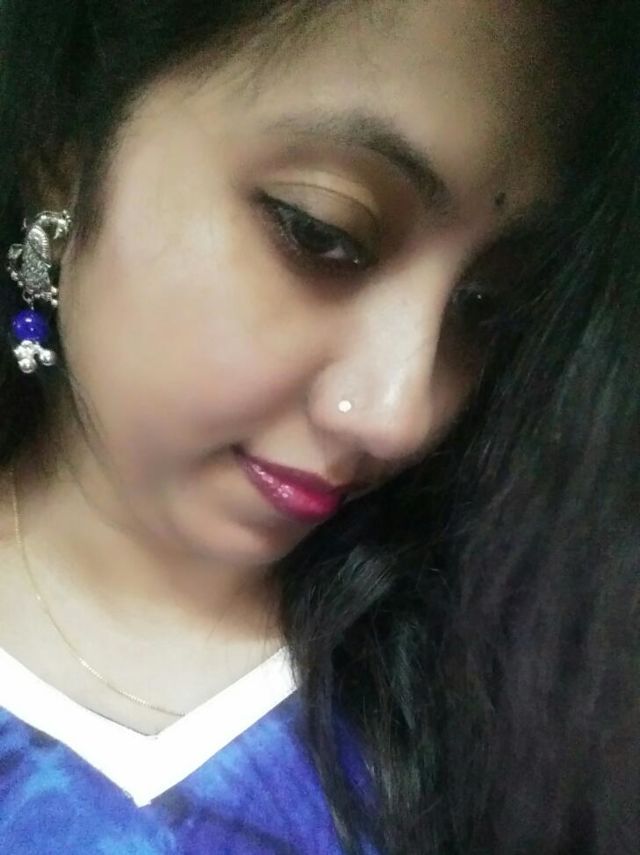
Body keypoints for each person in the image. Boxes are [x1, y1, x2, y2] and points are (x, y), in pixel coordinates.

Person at [0, 1, 637, 852]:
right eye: (322, 232)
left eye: (486, 305)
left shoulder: (509, 695)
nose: (400, 416)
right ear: (67, 148)